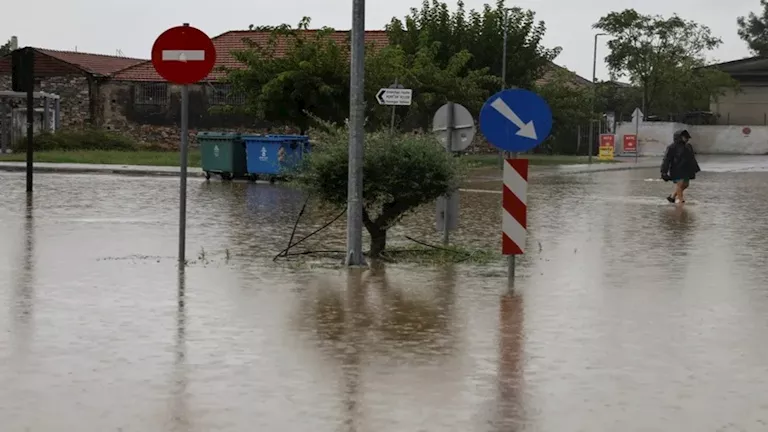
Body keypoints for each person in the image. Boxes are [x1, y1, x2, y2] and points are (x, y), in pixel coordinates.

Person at [660, 129, 700, 204]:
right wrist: (664, 172)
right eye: (685, 137)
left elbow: (692, 158)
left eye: (687, 137)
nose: (686, 139)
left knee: (685, 184)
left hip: (686, 169)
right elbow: (666, 159)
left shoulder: (688, 146)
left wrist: (695, 168)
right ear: (679, 137)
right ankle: (681, 200)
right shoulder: (672, 147)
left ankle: (672, 197)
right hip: (676, 169)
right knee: (680, 183)